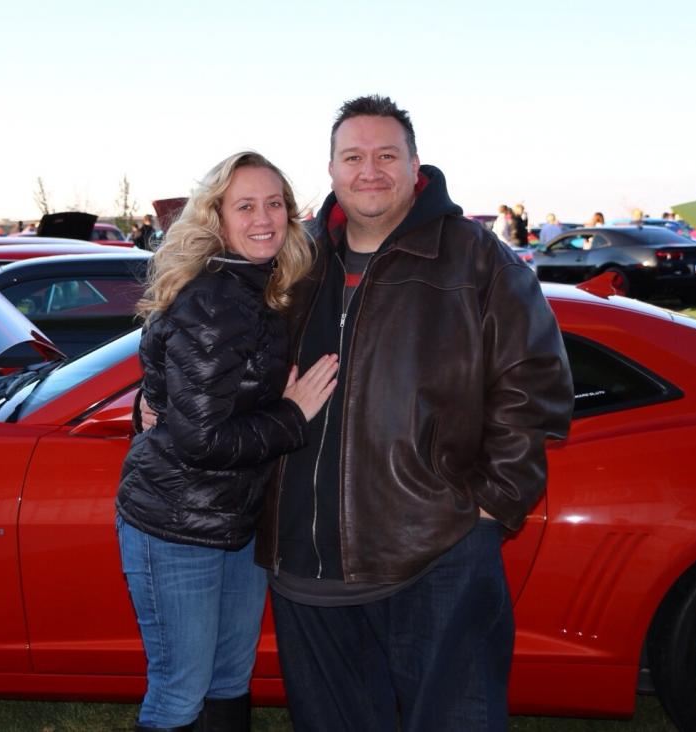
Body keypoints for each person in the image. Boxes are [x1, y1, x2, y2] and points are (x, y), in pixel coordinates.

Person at [256, 95, 574, 731]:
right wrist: (159, 398)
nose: (368, 170)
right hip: (305, 561)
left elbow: (535, 386)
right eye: (353, 156)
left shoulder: (477, 257)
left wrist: (488, 508)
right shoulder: (299, 262)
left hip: (435, 553)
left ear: (415, 163)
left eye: (385, 155)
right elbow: (226, 352)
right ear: (331, 170)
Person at [116, 151, 339, 732]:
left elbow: (190, 392)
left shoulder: (258, 288)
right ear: (217, 217)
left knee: (227, 682)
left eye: (274, 205)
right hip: (176, 526)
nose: (263, 218)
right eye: (245, 206)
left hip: (234, 521)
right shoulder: (217, 298)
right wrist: (292, 415)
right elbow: (200, 439)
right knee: (180, 692)